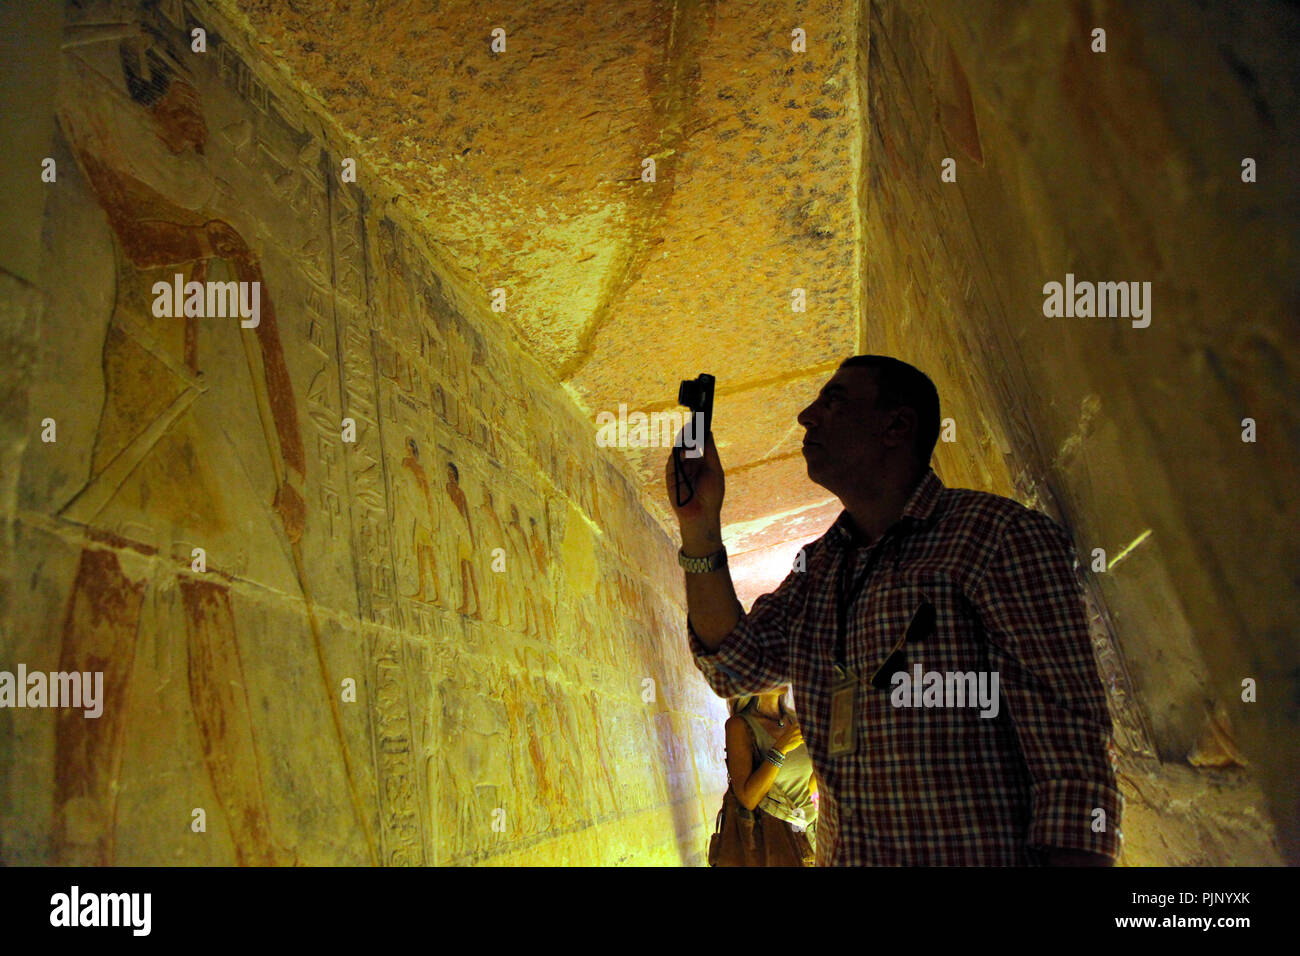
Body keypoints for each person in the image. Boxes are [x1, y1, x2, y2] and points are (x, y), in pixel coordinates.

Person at [667, 355, 1122, 866]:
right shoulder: (818, 569)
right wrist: (699, 526)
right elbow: (733, 664)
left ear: (897, 426)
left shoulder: (994, 539)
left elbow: (1073, 768)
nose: (806, 415)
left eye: (833, 400)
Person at [724, 686, 818, 863]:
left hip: (809, 834)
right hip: (772, 840)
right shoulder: (739, 725)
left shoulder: (796, 720)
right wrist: (781, 749)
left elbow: (805, 788)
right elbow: (748, 798)